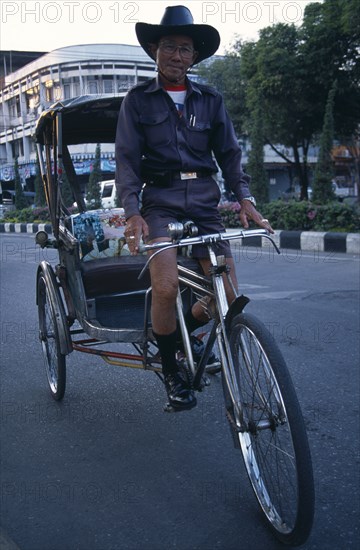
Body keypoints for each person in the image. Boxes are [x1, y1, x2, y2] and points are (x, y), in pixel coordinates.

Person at [115, 5, 273, 411]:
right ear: (155, 50)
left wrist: (245, 198)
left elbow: (231, 154)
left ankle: (183, 328)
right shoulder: (136, 102)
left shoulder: (211, 100)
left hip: (204, 203)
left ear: (194, 56)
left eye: (185, 49)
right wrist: (132, 212)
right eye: (169, 47)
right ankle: (173, 371)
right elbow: (128, 162)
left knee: (229, 293)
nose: (177, 57)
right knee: (165, 287)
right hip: (161, 205)